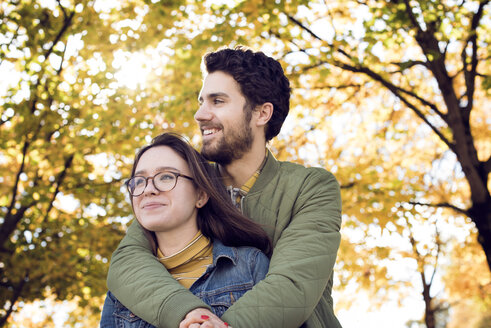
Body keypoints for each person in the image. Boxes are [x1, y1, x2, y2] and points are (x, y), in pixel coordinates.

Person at [107, 46, 343, 328]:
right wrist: (191, 315)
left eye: (217, 101)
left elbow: (293, 286)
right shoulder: (184, 184)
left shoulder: (310, 187)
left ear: (261, 113)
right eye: (201, 101)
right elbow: (127, 261)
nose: (200, 115)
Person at [100, 132, 272, 327]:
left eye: (165, 177)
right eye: (139, 181)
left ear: (201, 195)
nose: (148, 190)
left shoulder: (249, 266)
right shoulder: (122, 291)